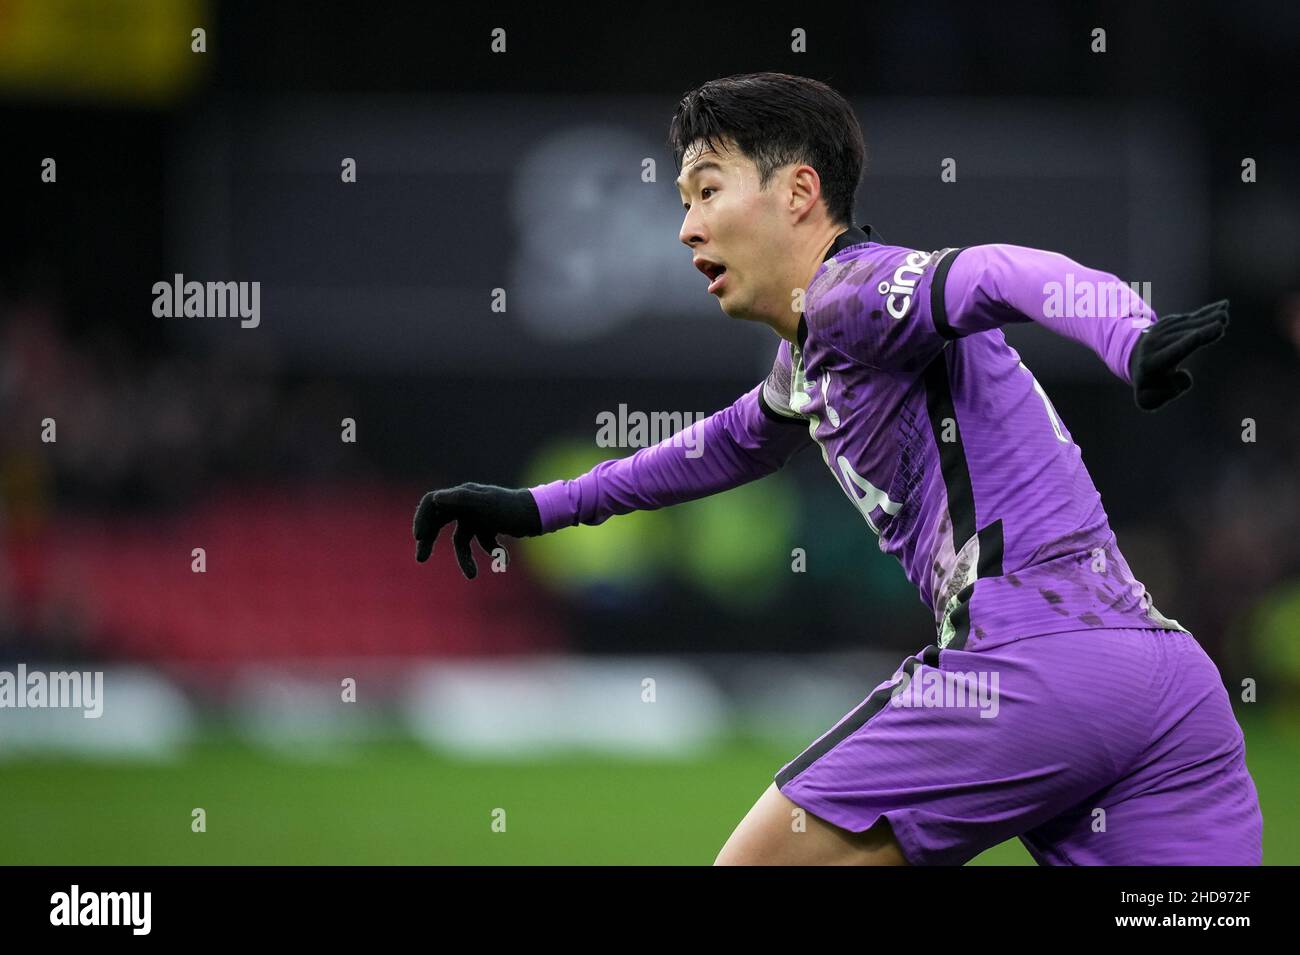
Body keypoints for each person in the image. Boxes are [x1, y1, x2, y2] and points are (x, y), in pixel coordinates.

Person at [413, 72, 1262, 866]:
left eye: (708, 189)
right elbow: (714, 447)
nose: (686, 227)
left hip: (1027, 663)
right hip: (1167, 684)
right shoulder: (815, 360)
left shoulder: (854, 293)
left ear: (798, 192)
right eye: (683, 202)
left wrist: (1127, 334)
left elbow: (1000, 271)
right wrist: (537, 507)